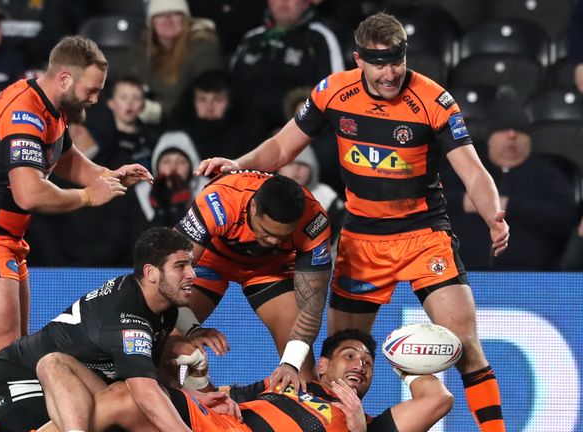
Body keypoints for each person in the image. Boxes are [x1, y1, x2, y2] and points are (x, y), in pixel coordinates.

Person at [198, 12, 508, 431]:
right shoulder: (332, 92)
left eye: (397, 60)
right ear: (358, 59)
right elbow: (279, 149)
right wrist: (238, 165)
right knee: (336, 352)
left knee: (466, 345)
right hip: (362, 241)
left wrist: (493, 215)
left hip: (423, 236)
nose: (390, 72)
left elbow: (472, 170)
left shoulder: (434, 101)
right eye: (379, 62)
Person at [0, 35, 152, 431]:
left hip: (5, 240)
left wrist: (107, 175)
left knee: (10, 355)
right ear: (66, 79)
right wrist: (89, 197)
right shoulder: (25, 112)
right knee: (0, 352)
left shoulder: (49, 107)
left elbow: (64, 156)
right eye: (92, 90)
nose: (95, 99)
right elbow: (30, 192)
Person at [0, 227, 230, 432]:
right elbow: (146, 394)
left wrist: (202, 396)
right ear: (151, 273)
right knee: (127, 400)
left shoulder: (161, 307)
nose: (192, 274)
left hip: (71, 381)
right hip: (21, 379)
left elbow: (157, 382)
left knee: (127, 403)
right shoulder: (127, 318)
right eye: (180, 266)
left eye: (191, 264)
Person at [46, 329, 453, 432]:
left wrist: (403, 356)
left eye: (368, 363)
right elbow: (207, 394)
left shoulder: (366, 423)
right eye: (350, 355)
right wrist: (205, 386)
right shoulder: (282, 385)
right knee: (113, 389)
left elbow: (438, 400)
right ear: (323, 366)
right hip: (220, 425)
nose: (362, 365)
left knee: (120, 400)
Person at [175, 171, 332, 390]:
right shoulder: (219, 201)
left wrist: (290, 364)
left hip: (270, 270)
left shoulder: (313, 221)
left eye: (282, 236)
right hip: (211, 261)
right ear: (254, 208)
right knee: (169, 337)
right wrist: (190, 328)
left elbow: (311, 308)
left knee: (301, 367)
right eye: (267, 232)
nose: (272, 240)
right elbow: (169, 280)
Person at [444, 104, 578, 270]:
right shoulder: (464, 169)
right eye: (503, 130)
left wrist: (508, 205)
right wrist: (465, 201)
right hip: (460, 273)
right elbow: (426, 204)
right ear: (490, 140)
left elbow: (566, 217)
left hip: (533, 278)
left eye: (520, 131)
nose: (512, 135)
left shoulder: (548, 173)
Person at [229, 0, 345, 130]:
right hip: (246, 133)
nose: (283, 1)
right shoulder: (251, 39)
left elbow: (335, 97)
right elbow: (228, 90)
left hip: (300, 132)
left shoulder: (321, 37)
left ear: (307, 2)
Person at [125, 0, 223, 124]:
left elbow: (204, 98)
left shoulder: (203, 48)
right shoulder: (141, 48)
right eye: (160, 15)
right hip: (141, 119)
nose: (167, 20)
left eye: (175, 14)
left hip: (187, 124)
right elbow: (126, 81)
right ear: (151, 22)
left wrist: (160, 110)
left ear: (185, 18)